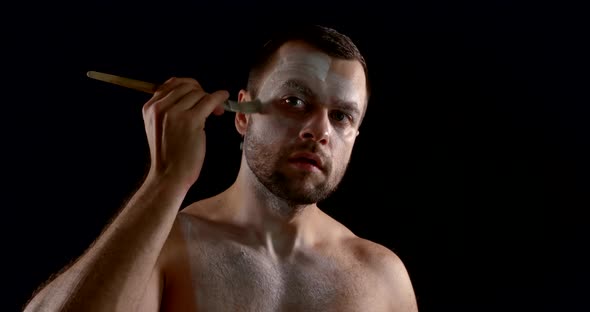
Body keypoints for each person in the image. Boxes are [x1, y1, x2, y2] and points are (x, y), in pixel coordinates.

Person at [23, 24, 418, 312]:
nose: (319, 130)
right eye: (295, 101)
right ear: (242, 115)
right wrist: (165, 181)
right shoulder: (165, 250)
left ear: (355, 138)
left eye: (342, 116)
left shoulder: (381, 278)